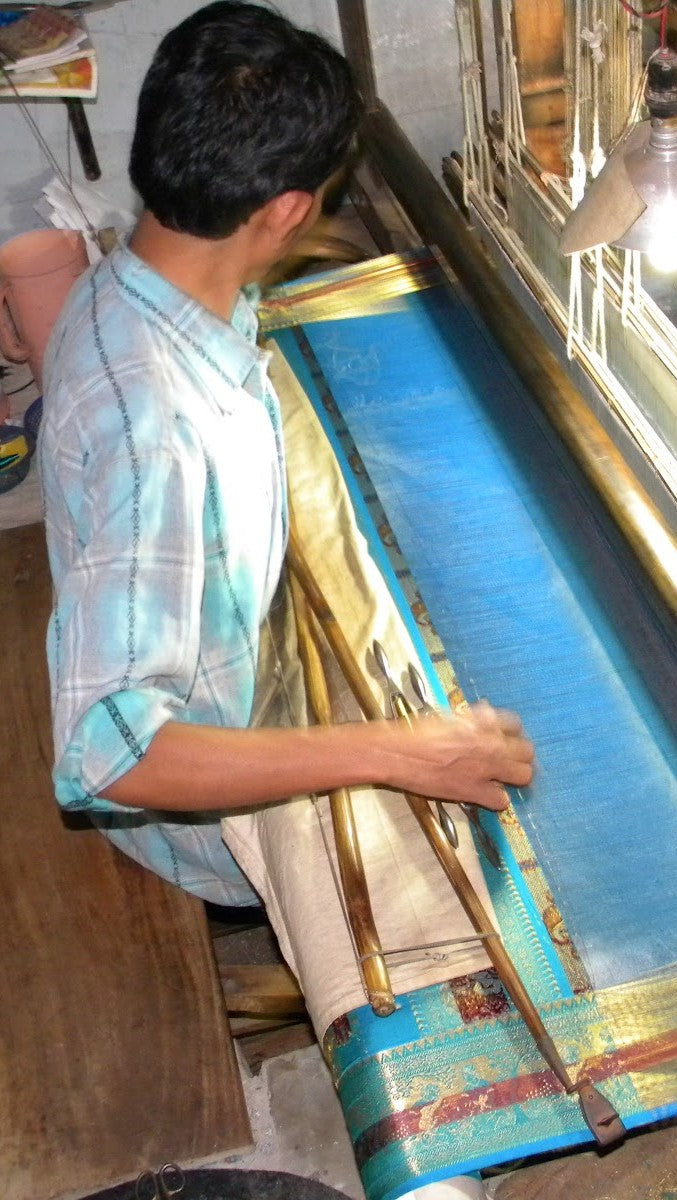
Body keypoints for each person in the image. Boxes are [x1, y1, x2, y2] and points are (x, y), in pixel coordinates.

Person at [39, 1, 534, 906]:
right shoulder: (156, 432)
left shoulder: (140, 283)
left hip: (240, 671)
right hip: (209, 828)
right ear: (291, 209)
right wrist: (399, 753)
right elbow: (109, 754)